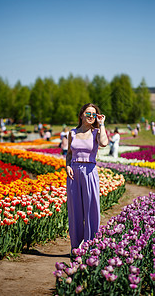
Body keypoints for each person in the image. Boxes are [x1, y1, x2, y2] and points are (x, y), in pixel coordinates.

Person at [66, 103, 108, 252]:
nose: (91, 116)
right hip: (74, 173)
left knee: (91, 208)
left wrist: (101, 124)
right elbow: (69, 153)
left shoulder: (96, 132)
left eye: (94, 114)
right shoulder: (72, 133)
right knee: (75, 210)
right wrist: (68, 165)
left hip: (90, 171)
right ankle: (75, 246)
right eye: (88, 113)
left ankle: (91, 246)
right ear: (81, 114)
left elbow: (103, 143)